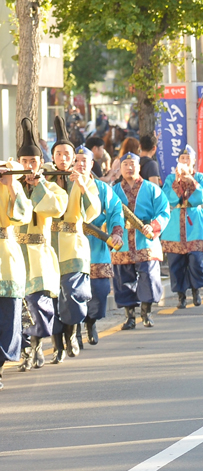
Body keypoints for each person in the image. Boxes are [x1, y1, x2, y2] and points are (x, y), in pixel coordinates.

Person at [48, 117, 101, 363]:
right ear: (52, 156)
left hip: (74, 245)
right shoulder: (44, 177)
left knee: (75, 293)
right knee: (52, 298)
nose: (63, 158)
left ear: (73, 158)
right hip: (48, 247)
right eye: (58, 153)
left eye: (67, 154)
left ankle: (72, 332)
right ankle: (57, 344)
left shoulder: (83, 179)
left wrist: (81, 185)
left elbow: (93, 212)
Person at [15, 117, 66, 371]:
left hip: (39, 255)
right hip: (14, 255)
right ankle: (25, 349)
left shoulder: (53, 188)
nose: (28, 166)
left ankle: (36, 344)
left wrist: (40, 185)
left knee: (38, 304)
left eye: (33, 161)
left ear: (40, 163)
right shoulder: (11, 186)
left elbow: (56, 208)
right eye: (24, 162)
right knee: (18, 306)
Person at [111, 152, 170, 330]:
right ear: (120, 168)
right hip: (122, 240)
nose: (129, 167)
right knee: (123, 278)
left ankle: (146, 311)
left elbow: (164, 210)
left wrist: (153, 226)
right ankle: (129, 315)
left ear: (139, 167)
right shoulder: (113, 191)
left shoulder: (152, 189)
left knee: (149, 276)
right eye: (125, 164)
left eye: (132, 164)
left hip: (145, 238)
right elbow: (107, 212)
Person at [77, 146, 122, 347]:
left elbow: (115, 211)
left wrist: (116, 233)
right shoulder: (62, 186)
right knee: (72, 291)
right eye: (76, 160)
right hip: (71, 244)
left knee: (100, 289)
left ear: (91, 164)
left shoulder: (103, 189)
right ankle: (74, 328)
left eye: (84, 161)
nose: (80, 164)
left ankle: (91, 321)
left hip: (97, 243)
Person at [160, 146, 203, 308]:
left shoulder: (200, 178)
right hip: (175, 224)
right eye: (182, 159)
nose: (185, 161)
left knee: (195, 259)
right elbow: (169, 198)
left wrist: (191, 181)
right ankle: (181, 295)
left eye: (188, 159)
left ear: (193, 161)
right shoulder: (170, 179)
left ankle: (196, 289)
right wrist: (178, 181)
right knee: (176, 263)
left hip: (195, 223)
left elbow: (202, 197)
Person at [0, 156, 34, 387]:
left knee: (8, 318)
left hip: (7, 259)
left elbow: (21, 215)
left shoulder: (13, 184)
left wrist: (11, 184)